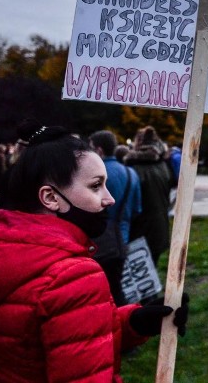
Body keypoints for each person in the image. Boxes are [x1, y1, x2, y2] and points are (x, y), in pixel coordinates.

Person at [0, 122, 186, 382]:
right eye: (96, 186)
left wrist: (135, 321)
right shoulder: (73, 275)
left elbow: (52, 339)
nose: (109, 199)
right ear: (51, 197)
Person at [89, 130, 143, 306]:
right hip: (122, 240)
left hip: (97, 243)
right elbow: (137, 209)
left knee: (97, 291)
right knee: (116, 287)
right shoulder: (131, 173)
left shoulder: (95, 177)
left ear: (99, 151)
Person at [124, 126, 174, 265]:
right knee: (152, 267)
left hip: (138, 231)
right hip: (160, 228)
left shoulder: (132, 168)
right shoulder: (164, 166)